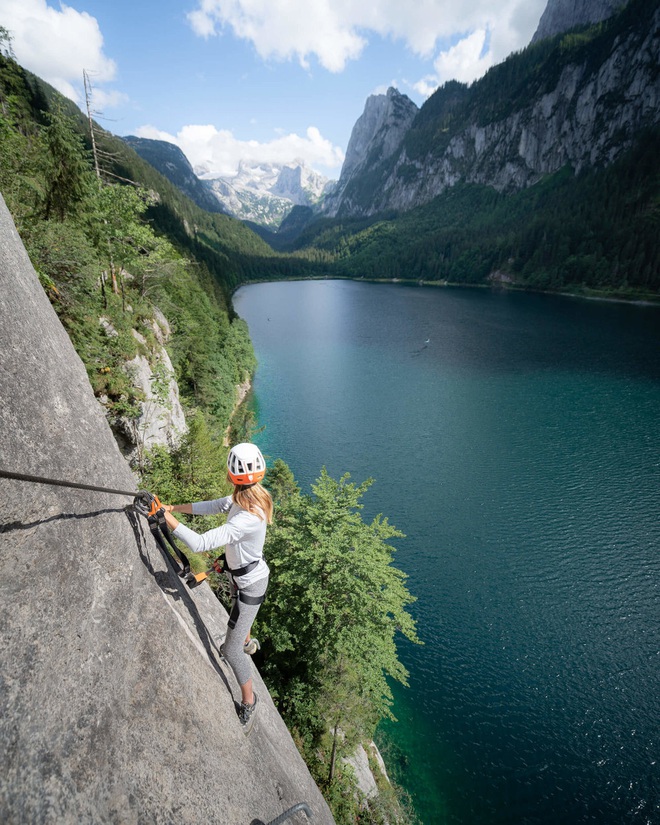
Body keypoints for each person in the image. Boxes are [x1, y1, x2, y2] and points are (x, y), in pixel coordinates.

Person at [161, 443, 272, 734]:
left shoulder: (249, 515)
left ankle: (250, 700)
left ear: (231, 473)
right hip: (243, 576)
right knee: (238, 621)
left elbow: (199, 543)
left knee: (230, 651)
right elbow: (214, 506)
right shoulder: (246, 497)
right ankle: (247, 639)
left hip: (250, 583)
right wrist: (174, 508)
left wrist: (163, 516)